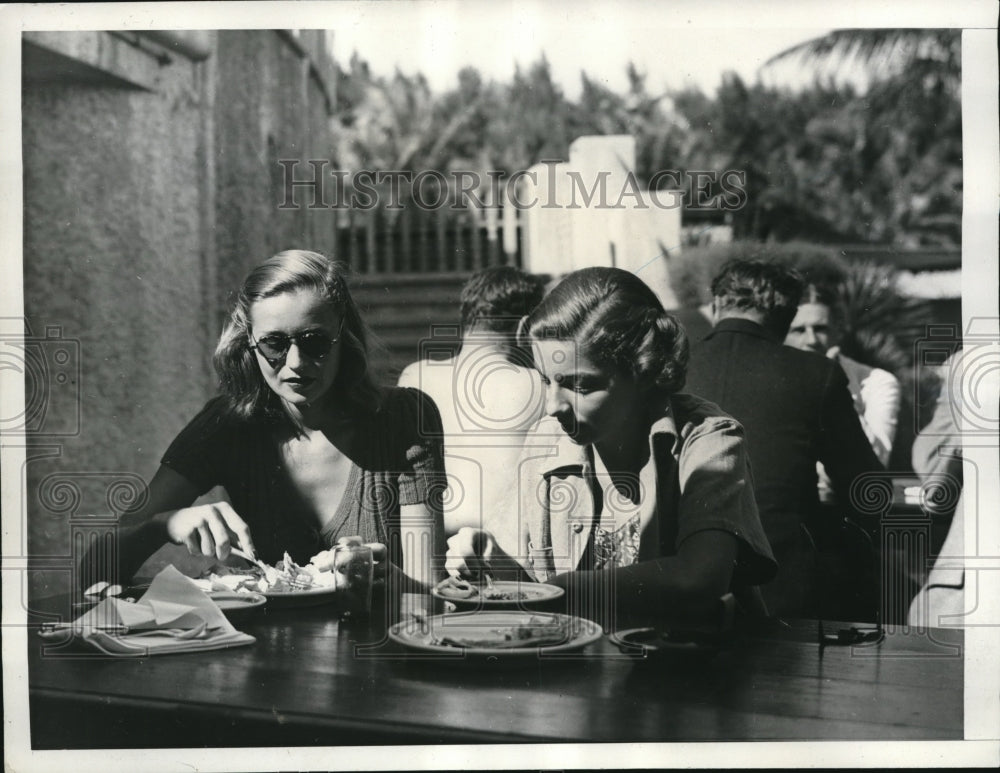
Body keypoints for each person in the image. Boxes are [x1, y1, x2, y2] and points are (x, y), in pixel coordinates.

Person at [81, 250, 445, 589]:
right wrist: (165, 525)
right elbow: (94, 571)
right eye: (274, 344)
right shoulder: (227, 424)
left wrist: (385, 576)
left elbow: (427, 594)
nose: (296, 363)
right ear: (249, 345)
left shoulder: (403, 417)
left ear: (344, 338)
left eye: (314, 341)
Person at [445, 267, 776, 627]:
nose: (552, 405)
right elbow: (530, 594)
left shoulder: (709, 440)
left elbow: (700, 579)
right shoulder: (547, 441)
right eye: (545, 380)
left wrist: (566, 589)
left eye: (580, 385)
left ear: (645, 370)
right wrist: (494, 561)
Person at [684, 260, 884, 618]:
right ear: (787, 319)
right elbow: (867, 489)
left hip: (680, 582)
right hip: (782, 588)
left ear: (716, 308)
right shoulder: (816, 373)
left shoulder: (671, 368)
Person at [398, 266, 545, 548]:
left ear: (466, 318)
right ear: (524, 327)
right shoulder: (538, 385)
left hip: (427, 545)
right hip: (500, 551)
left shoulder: (414, 377)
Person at [785, 283, 901, 470]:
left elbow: (875, 462)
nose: (812, 340)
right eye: (799, 330)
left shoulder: (878, 382)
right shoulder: (772, 380)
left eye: (820, 329)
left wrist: (834, 388)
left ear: (838, 331)